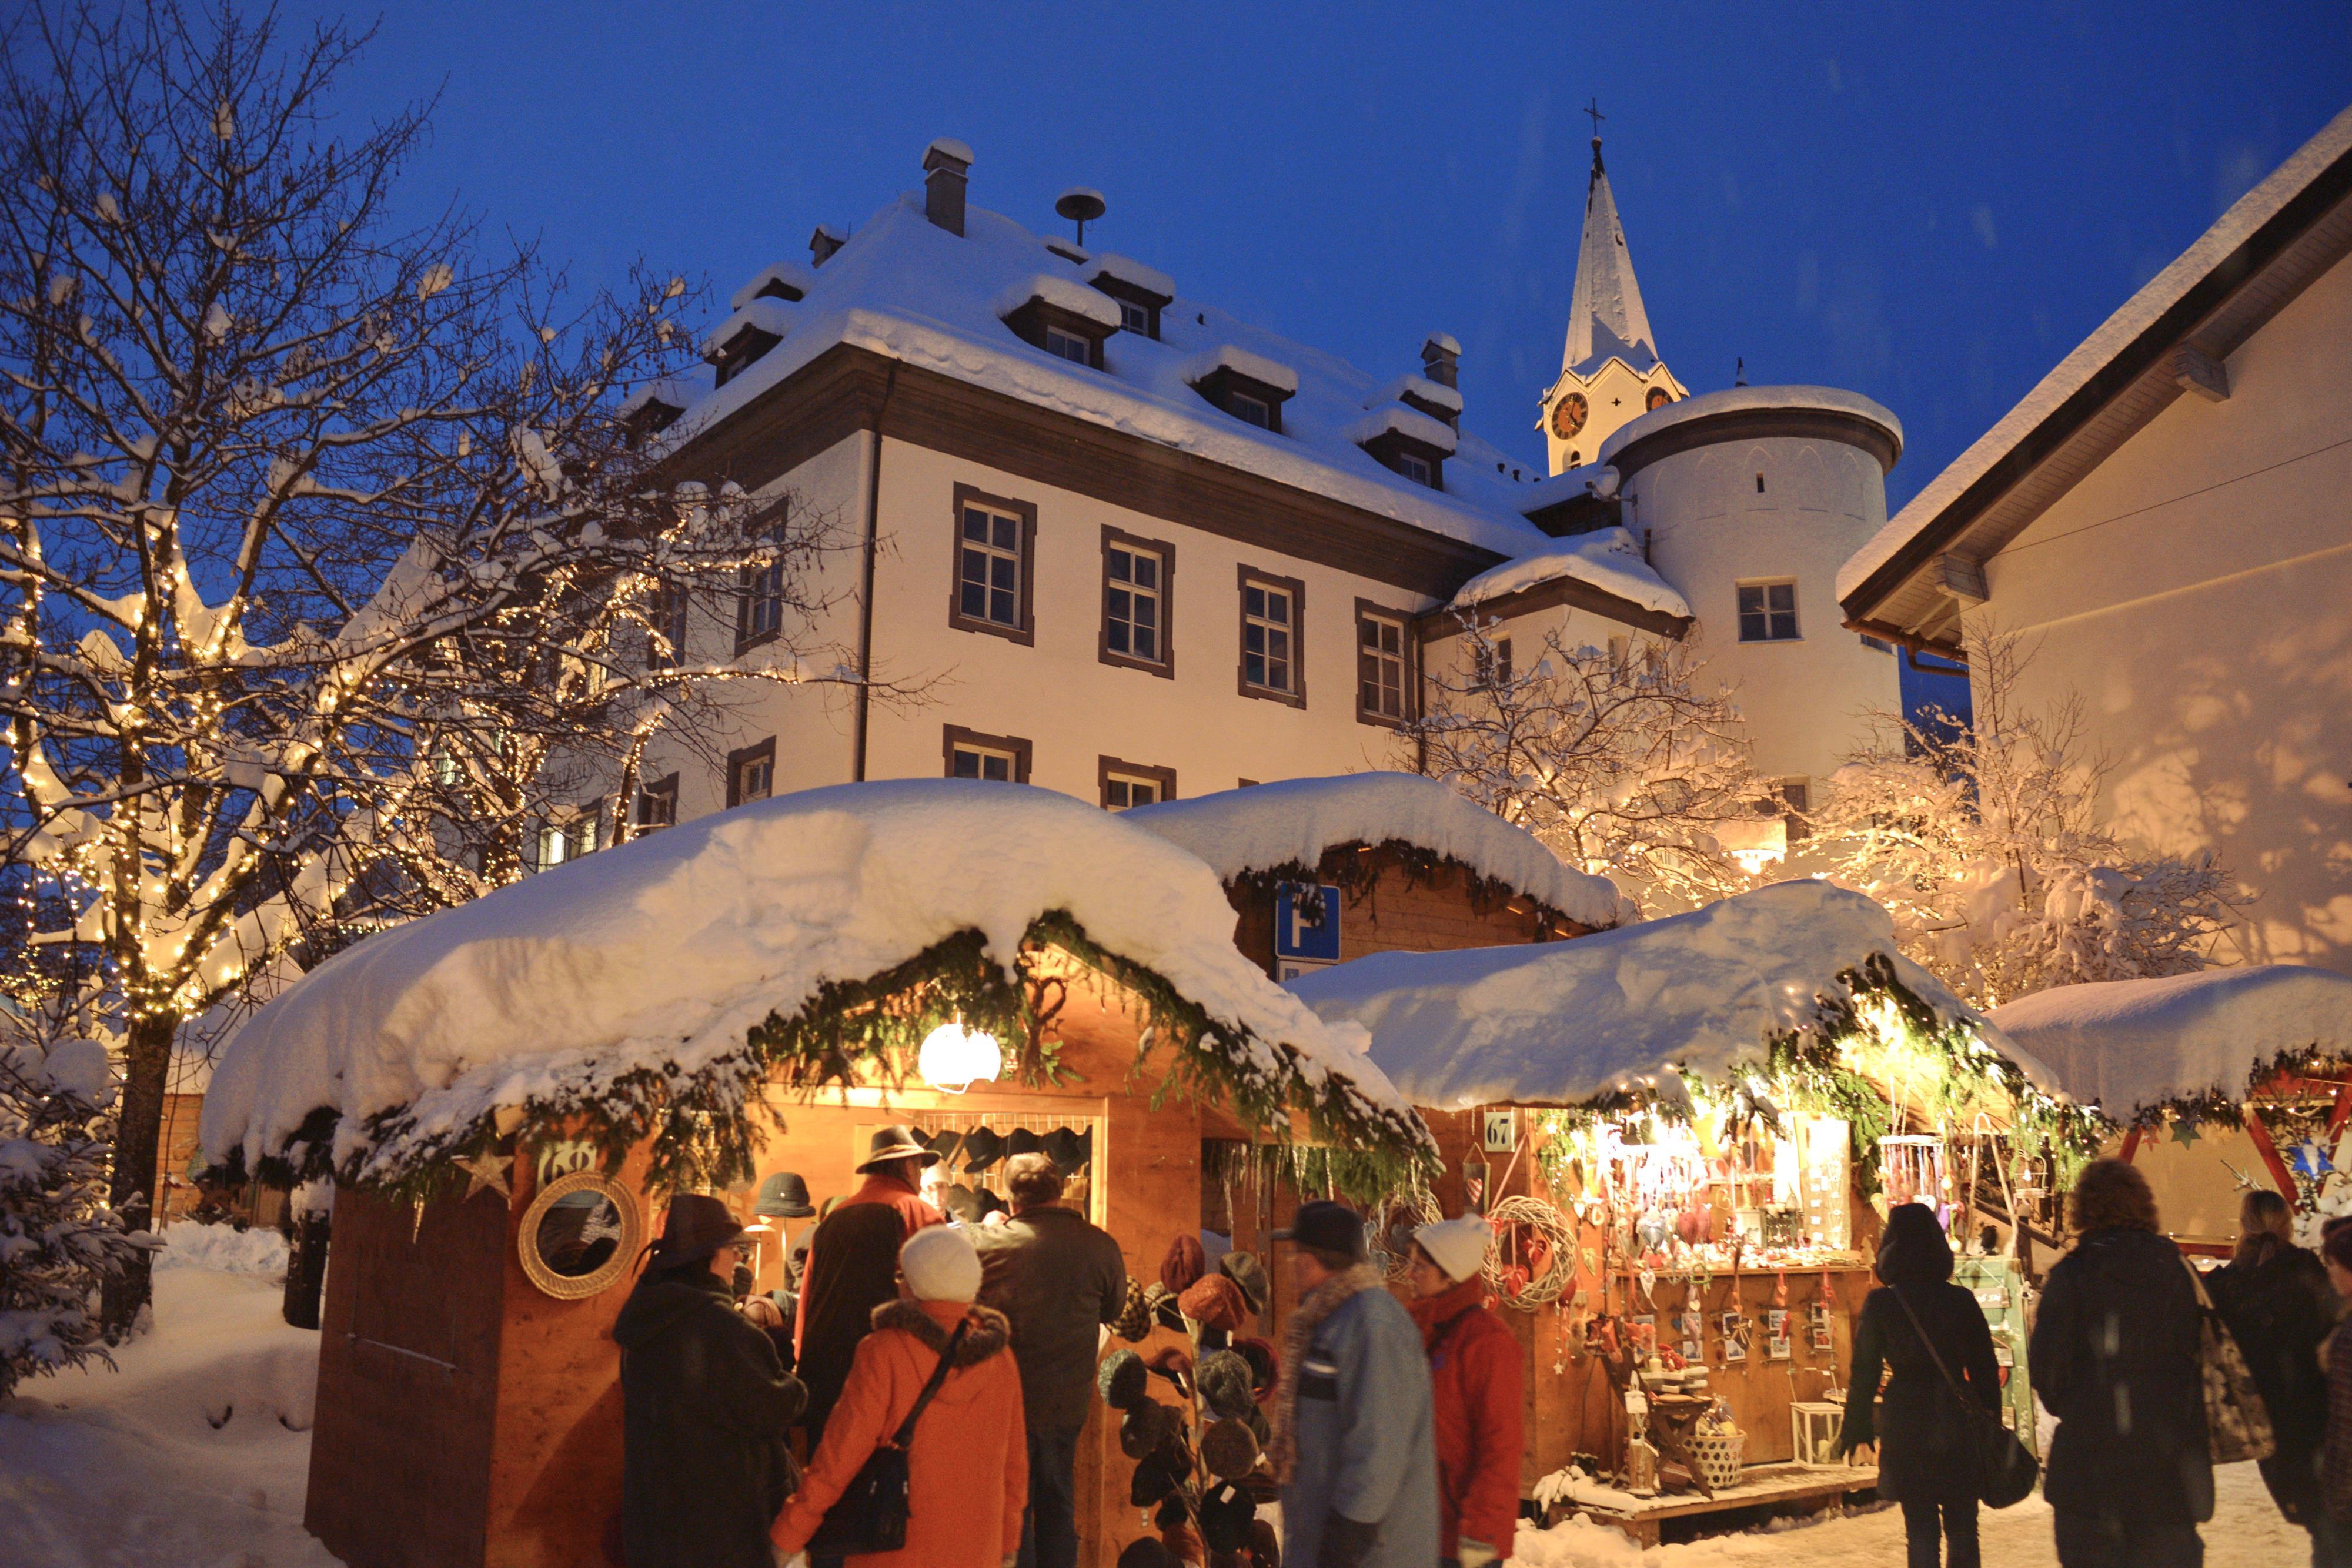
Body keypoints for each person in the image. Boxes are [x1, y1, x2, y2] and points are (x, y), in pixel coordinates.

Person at [773, 1223, 1028, 1568]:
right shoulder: (1000, 1357)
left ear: (913, 1282)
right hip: (976, 1550)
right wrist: (1008, 1543)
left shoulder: (884, 1351)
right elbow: (1014, 1466)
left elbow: (841, 1454)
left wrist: (790, 1532)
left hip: (891, 1548)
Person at [2030, 1158, 2211, 1567]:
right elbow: (2196, 1355)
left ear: (2084, 1209)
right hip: (2167, 1474)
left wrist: (2088, 1401)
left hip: (2090, 1474)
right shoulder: (2177, 1273)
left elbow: (2048, 1375)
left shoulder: (2071, 1277)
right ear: (2143, 1205)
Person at [612, 1193, 806, 1568]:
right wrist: (790, 1379)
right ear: (706, 1255)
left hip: (657, 1519)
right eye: (732, 1248)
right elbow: (776, 1405)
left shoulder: (643, 1322)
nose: (738, 1258)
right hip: (723, 1523)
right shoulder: (721, 1328)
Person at [973, 1151, 1130, 1568]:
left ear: (1010, 1199)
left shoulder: (987, 1244)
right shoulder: (1100, 1245)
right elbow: (1114, 1311)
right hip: (1068, 1401)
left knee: (1014, 1508)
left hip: (1006, 1400)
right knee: (1060, 1504)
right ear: (1061, 1193)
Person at [1268, 1199, 1438, 1568]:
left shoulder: (1372, 1324)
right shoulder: (1329, 1320)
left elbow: (1381, 1446)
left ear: (1312, 1260)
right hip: (1326, 1540)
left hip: (1372, 1553)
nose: (1291, 1263)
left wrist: (1344, 1541)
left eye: (1295, 1253)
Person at [1832, 1202, 2000, 1568]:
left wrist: (1857, 1425)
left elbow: (1865, 1373)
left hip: (1908, 1420)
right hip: (1958, 1420)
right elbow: (1986, 1370)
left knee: (1921, 1530)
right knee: (1963, 1529)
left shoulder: (1882, 1304)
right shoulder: (1961, 1301)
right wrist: (1991, 1421)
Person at [2210, 1188, 2343, 1563]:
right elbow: (2335, 1325)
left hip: (2265, 1423)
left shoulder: (2227, 1284)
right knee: (2330, 1522)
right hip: (2315, 1414)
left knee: (2316, 1519)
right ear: (2286, 1223)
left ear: (2244, 1224)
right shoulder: (2306, 1270)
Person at [796, 1126, 947, 1438]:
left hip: (826, 1382)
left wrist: (805, 1365)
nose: (920, 1178)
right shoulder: (919, 1215)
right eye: (919, 1168)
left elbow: (808, 1299)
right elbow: (941, 1306)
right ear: (907, 1166)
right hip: (889, 1384)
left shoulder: (833, 1218)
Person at [1406, 1216, 1521, 1568]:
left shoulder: (1486, 1343)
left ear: (1450, 1274)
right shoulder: (1415, 1333)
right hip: (1418, 1528)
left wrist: (1481, 1532)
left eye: (1420, 1267)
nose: (1409, 1275)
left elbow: (1501, 1446)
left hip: (1464, 1536)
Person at [2320, 1223, 2352, 1535]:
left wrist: (2338, 1499)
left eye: (2333, 1265)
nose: (2330, 1273)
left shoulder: (2347, 1339)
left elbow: (2346, 1423)